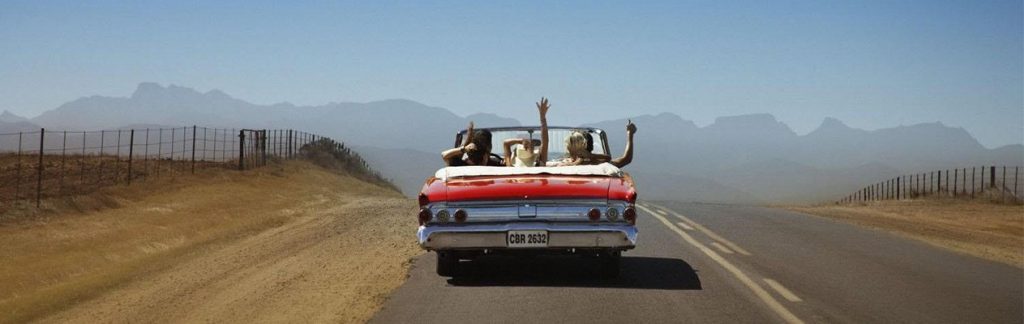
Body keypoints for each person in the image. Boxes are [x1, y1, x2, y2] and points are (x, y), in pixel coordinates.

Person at [548, 119, 637, 168]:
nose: (567, 149)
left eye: (569, 146)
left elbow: (625, 160)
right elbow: (626, 159)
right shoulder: (599, 163)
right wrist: (630, 134)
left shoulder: (595, 163)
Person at [503, 97, 550, 167]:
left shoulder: (510, 167)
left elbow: (505, 143)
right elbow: (545, 141)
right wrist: (542, 117)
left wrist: (521, 141)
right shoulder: (539, 166)